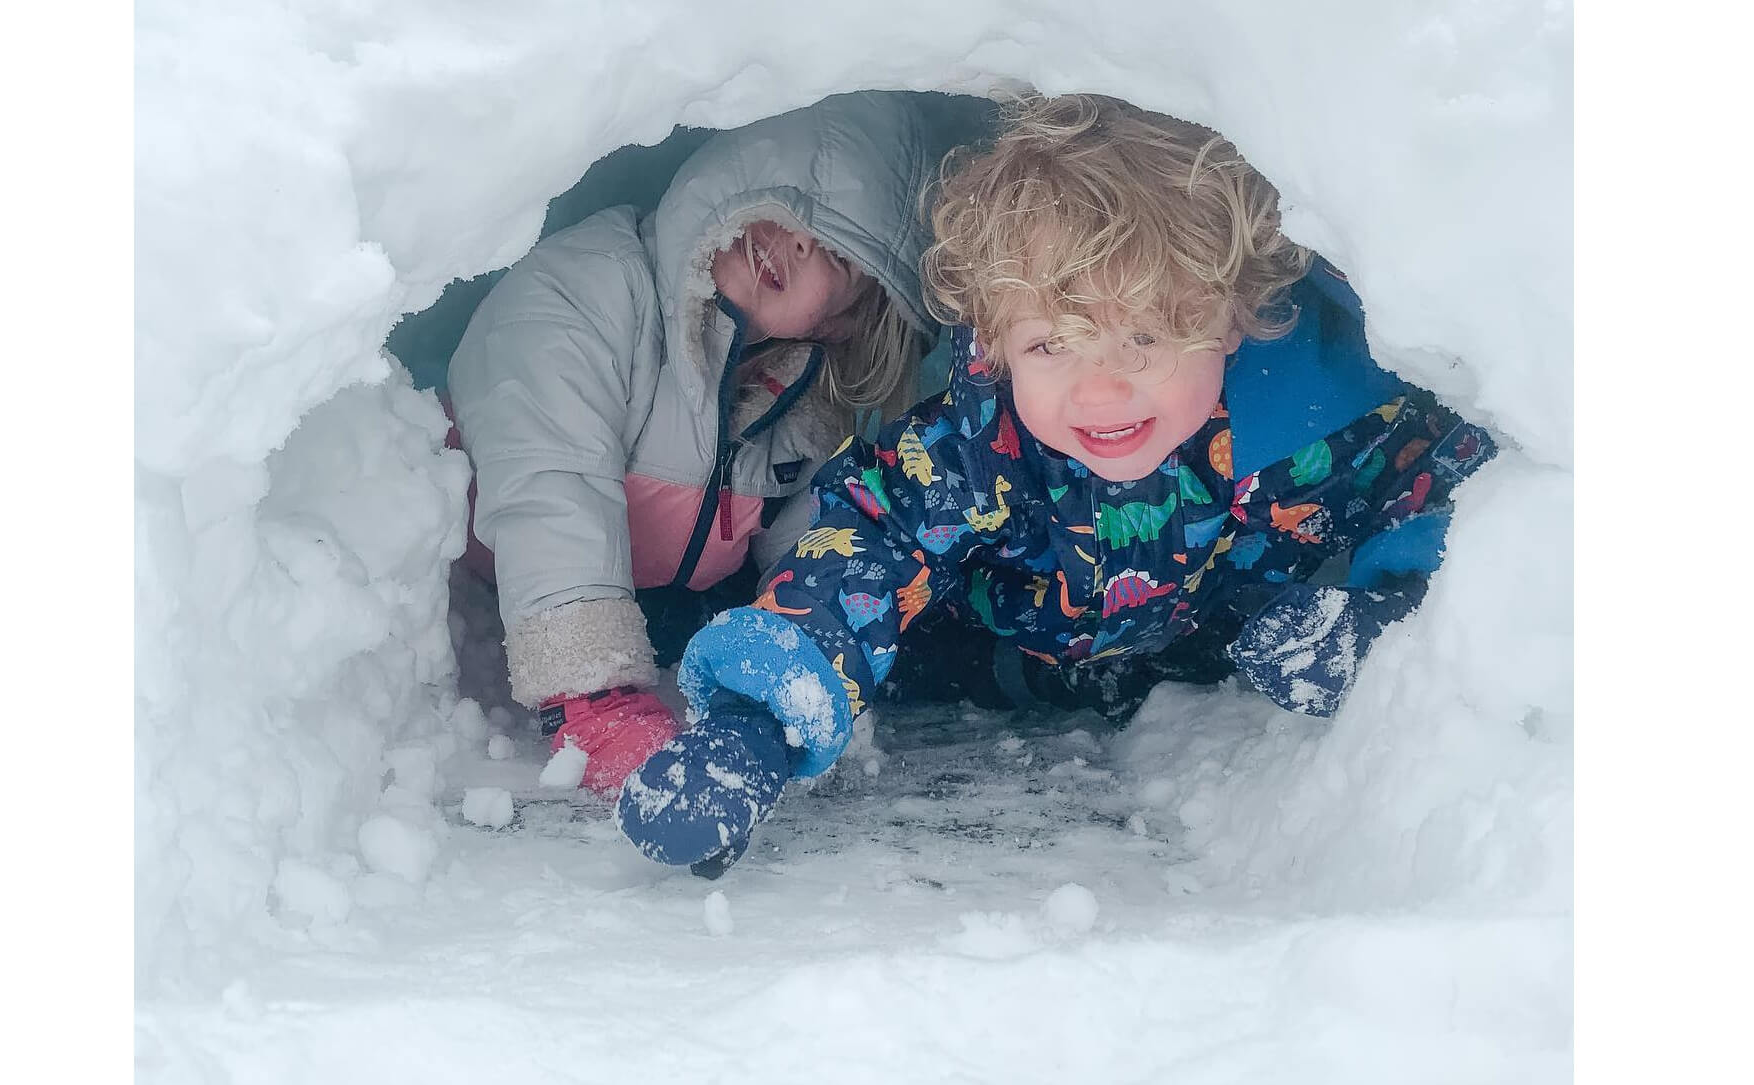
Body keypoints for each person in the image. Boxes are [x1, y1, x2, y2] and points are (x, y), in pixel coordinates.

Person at [614, 94, 1496, 875]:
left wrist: (1382, 612)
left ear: (1230, 322)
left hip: (1191, 644)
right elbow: (864, 548)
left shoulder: (1313, 434)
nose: (1100, 390)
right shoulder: (979, 445)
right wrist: (752, 727)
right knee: (876, 624)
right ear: (993, 340)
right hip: (981, 648)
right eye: (1049, 345)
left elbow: (1448, 482)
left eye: (1144, 339)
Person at [446, 93, 939, 794]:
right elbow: (549, 484)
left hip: (674, 602)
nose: (794, 238)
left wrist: (801, 659)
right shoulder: (584, 291)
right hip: (511, 586)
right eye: (784, 201)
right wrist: (596, 698)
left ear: (846, 320)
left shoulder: (798, 388)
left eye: (838, 251)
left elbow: (814, 539)